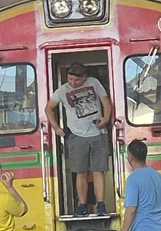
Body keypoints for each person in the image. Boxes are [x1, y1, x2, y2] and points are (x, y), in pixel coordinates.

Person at [46, 63, 112, 216]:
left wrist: (106, 119)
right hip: (76, 135)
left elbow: (106, 101)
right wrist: (56, 127)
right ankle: (82, 205)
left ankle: (101, 205)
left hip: (98, 132)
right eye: (70, 79)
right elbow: (49, 108)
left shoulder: (94, 83)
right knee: (80, 172)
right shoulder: (62, 90)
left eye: (77, 80)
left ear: (84, 77)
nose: (72, 83)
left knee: (98, 170)